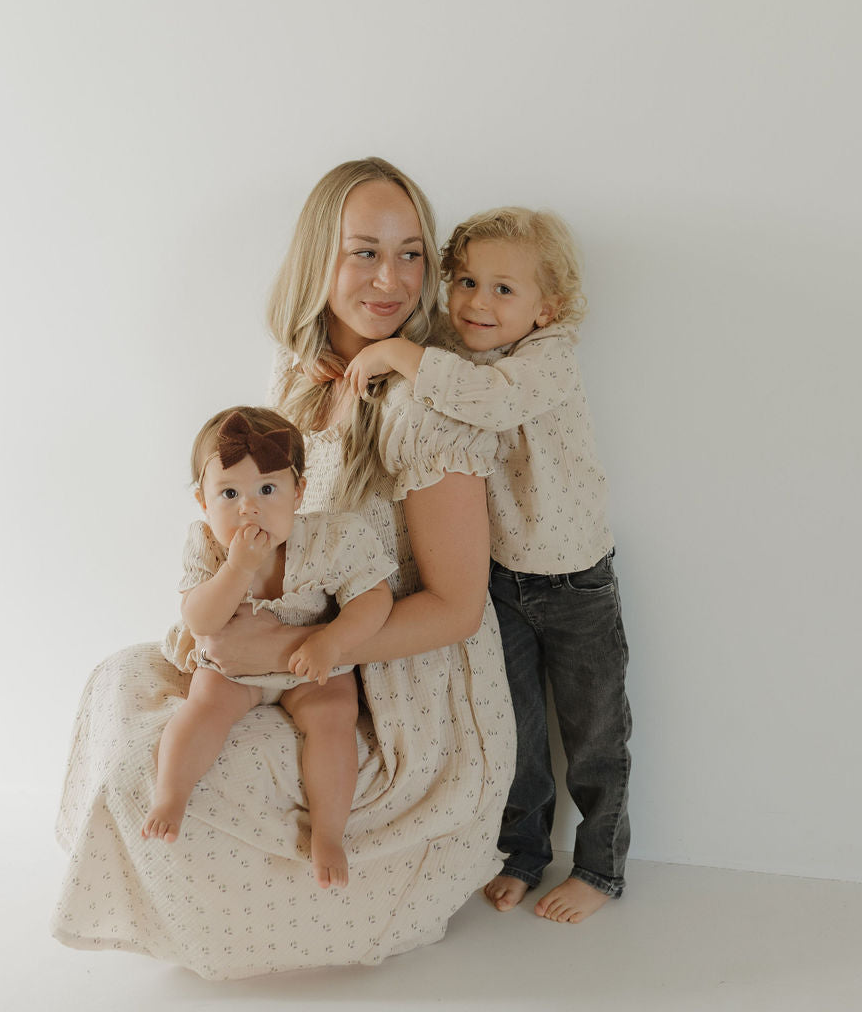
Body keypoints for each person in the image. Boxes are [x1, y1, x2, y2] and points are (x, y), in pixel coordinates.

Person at [52, 158, 514, 979]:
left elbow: (456, 607)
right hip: (289, 640)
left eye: (411, 254)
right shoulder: (297, 384)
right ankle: (167, 898)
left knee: (167, 764)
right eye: (363, 251)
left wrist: (303, 650)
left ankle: (278, 904)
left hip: (390, 684)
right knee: (119, 690)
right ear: (316, 259)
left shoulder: (426, 405)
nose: (391, 279)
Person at [344, 205, 632, 924]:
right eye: (466, 281)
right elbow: (422, 363)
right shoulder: (456, 352)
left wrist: (394, 357)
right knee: (518, 733)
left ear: (548, 308)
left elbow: (488, 401)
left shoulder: (546, 360)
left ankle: (600, 866)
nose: (477, 302)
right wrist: (368, 357)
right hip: (502, 579)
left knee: (596, 735)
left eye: (504, 290)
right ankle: (523, 852)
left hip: (574, 582)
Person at [144, 404, 395, 892]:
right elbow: (200, 620)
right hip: (232, 671)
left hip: (312, 662)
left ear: (298, 492)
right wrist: (235, 570)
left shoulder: (332, 538)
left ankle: (327, 832)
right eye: (229, 493)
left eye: (267, 490)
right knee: (202, 708)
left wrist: (332, 641)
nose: (248, 507)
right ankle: (170, 797)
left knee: (332, 720)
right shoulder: (208, 546)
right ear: (202, 501)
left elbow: (374, 598)